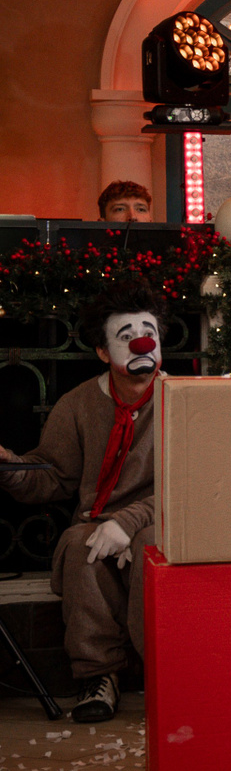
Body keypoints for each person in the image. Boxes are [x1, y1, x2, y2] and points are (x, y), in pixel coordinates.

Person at [0, 284, 164, 723]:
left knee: (150, 544)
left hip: (161, 519)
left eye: (149, 332)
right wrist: (9, 466)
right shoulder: (77, 405)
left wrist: (129, 522)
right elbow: (53, 475)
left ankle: (167, 673)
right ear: (102, 352)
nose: (143, 343)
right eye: (127, 336)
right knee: (78, 546)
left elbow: (196, 485)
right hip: (97, 522)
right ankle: (98, 676)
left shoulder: (184, 399)